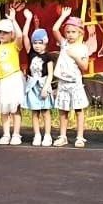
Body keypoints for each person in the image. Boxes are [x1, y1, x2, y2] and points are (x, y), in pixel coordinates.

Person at [50, 8, 91, 147]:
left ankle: (80, 137)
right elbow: (55, 29)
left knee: (79, 110)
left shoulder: (83, 48)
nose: (70, 35)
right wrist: (63, 16)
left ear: (80, 32)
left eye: (73, 32)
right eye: (67, 32)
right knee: (63, 110)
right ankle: (63, 136)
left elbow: (85, 67)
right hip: (63, 82)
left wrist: (75, 57)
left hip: (75, 83)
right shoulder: (64, 44)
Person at [0, 13, 25, 145]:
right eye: (0, 32)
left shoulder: (15, 46)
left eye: (6, 32)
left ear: (11, 34)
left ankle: (16, 134)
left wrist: (14, 20)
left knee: (15, 108)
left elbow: (20, 36)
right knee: (4, 109)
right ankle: (6, 134)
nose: (2, 34)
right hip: (0, 81)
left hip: (14, 80)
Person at [22, 14, 54, 146]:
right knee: (35, 112)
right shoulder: (31, 52)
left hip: (43, 85)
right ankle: (37, 135)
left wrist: (46, 87)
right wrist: (28, 19)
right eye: (35, 43)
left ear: (45, 43)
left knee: (45, 111)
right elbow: (24, 35)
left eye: (40, 43)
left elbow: (50, 74)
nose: (37, 46)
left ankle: (47, 135)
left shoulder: (48, 56)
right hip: (32, 85)